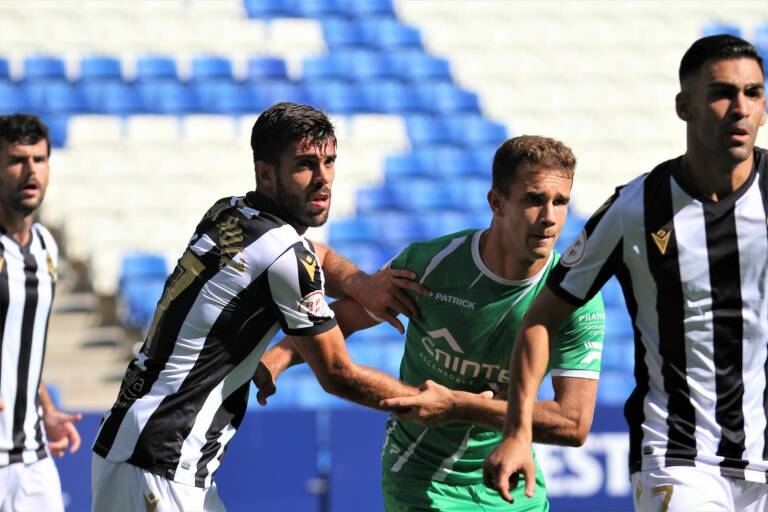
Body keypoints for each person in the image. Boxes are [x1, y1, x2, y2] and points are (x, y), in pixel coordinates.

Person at [91, 102, 435, 511]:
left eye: (330, 162)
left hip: (142, 447)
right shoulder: (284, 253)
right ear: (266, 173)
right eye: (305, 165)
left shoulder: (229, 211)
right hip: (162, 460)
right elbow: (338, 374)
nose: (323, 178)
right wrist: (430, 405)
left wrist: (357, 285)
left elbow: (312, 255)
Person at [484, 34, 768, 512]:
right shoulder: (635, 209)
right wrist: (518, 430)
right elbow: (540, 318)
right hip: (680, 458)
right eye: (721, 93)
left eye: (753, 92)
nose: (740, 107)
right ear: (685, 106)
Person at [256, 135, 606, 511]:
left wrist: (457, 405)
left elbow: (573, 423)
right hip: (422, 477)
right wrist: (278, 356)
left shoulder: (574, 299)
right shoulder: (432, 264)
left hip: (511, 480)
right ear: (497, 202)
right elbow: (341, 319)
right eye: (534, 200)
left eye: (560, 202)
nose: (549, 218)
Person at [0, 114, 82, 512]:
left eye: (39, 159)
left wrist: (47, 409)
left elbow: (19, 348)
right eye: (17, 160)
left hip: (33, 456)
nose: (30, 171)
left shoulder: (46, 246)